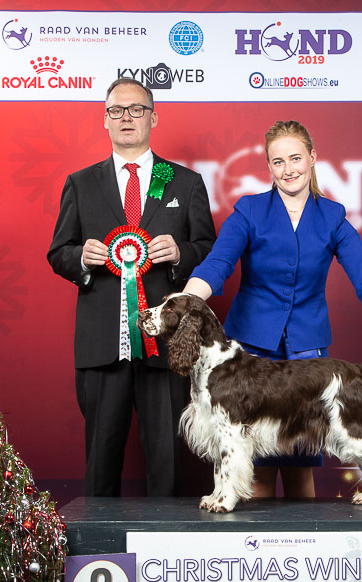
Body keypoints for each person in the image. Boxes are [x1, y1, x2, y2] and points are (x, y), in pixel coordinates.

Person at [182, 120, 362, 499]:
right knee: (256, 470)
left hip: (307, 353)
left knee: (300, 469)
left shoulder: (333, 217)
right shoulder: (249, 211)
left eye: (295, 158)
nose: (288, 169)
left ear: (312, 158)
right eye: (278, 162)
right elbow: (217, 264)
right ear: (269, 167)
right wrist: (187, 302)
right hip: (251, 352)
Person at [48, 78, 216, 497]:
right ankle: (98, 538)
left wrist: (180, 253)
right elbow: (58, 252)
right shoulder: (81, 183)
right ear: (105, 120)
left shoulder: (183, 182)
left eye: (137, 109)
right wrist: (80, 258)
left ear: (153, 118)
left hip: (167, 344)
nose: (126, 117)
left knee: (168, 459)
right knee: (101, 459)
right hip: (102, 344)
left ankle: (169, 538)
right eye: (116, 110)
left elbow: (209, 249)